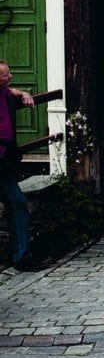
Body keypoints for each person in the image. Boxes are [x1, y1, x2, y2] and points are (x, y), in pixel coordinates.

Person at [0, 60, 45, 271]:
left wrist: (23, 93)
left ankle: (22, 257)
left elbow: (11, 90)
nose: (10, 76)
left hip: (4, 163)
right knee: (17, 204)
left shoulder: (4, 92)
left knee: (17, 204)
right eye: (6, 74)